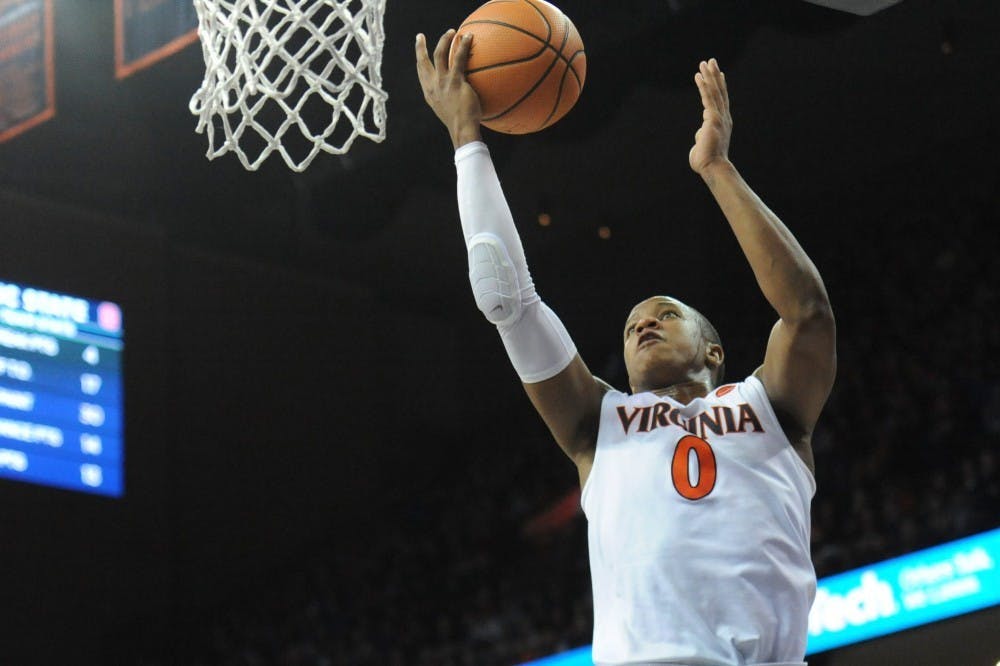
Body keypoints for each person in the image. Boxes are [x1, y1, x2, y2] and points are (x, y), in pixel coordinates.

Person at [416, 29, 836, 666]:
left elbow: (807, 312)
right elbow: (509, 298)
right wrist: (466, 140)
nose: (643, 325)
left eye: (665, 315)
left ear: (714, 350)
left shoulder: (771, 405)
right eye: (632, 326)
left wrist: (717, 169)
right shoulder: (597, 424)